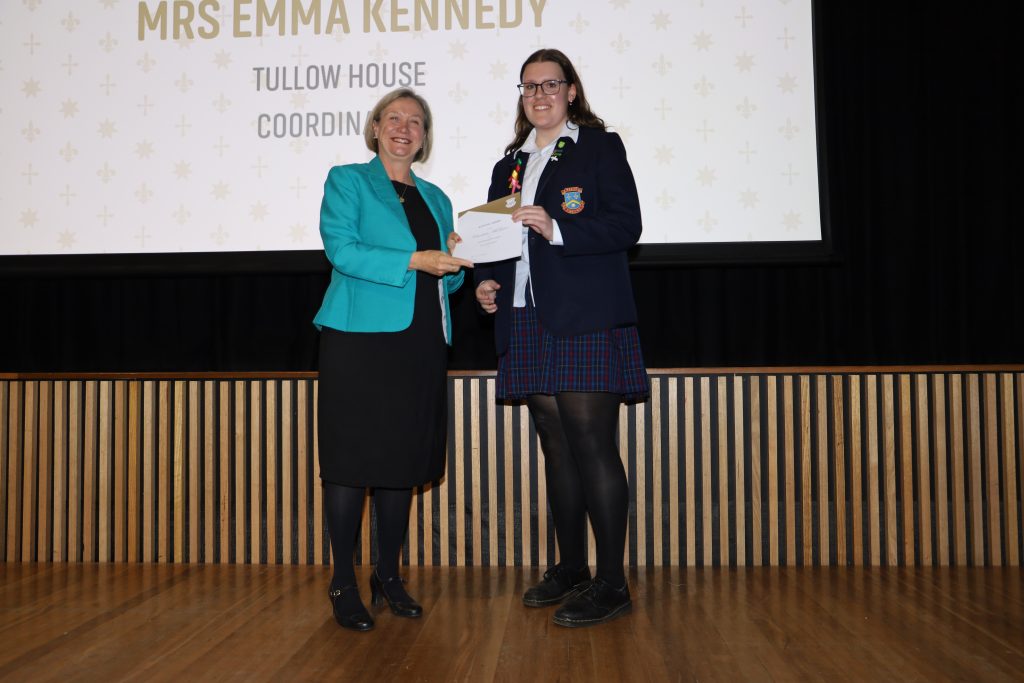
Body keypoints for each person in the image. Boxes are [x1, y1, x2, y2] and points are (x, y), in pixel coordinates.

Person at [472, 48, 649, 628]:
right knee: (555, 446)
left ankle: (612, 582)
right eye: (529, 87)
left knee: (592, 444)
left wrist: (557, 227)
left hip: (584, 314)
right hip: (524, 314)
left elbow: (626, 225)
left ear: (571, 91)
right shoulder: (509, 164)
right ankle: (571, 566)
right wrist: (486, 281)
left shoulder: (599, 147)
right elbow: (495, 241)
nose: (539, 95)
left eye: (550, 84)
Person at [314, 88, 472, 631]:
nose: (405, 128)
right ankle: (342, 580)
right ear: (376, 128)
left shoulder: (437, 198)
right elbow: (342, 250)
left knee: (401, 461)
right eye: (395, 118)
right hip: (358, 340)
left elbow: (442, 282)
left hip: (419, 341)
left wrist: (457, 267)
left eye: (416, 121)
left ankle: (388, 575)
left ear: (424, 137)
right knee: (350, 461)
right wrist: (415, 258)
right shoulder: (348, 181)